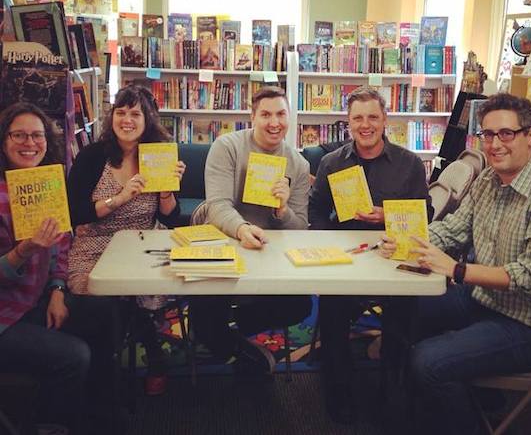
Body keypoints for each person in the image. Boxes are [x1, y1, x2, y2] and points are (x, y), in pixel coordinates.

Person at [381, 93, 531, 435]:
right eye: (487, 135)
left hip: (530, 325)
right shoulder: (488, 181)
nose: (494, 144)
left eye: (506, 134)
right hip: (485, 300)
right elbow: (453, 229)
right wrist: (405, 241)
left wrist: (458, 270)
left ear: (530, 135)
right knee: (402, 306)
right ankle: (409, 408)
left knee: (427, 362)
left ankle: (460, 416)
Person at [308, 86, 433, 423]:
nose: (366, 125)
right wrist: (328, 244)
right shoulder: (331, 163)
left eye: (373, 117)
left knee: (403, 315)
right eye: (358, 118)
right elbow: (316, 209)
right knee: (333, 309)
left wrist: (387, 216)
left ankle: (392, 386)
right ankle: (338, 387)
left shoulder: (409, 164)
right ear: (348, 123)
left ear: (385, 120)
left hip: (395, 259)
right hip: (346, 260)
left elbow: (427, 214)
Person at [67, 85, 185, 402]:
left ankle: (146, 354)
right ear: (112, 116)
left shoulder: (159, 154)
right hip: (94, 245)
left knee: (162, 284)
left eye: (135, 113)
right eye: (121, 112)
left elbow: (173, 219)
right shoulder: (93, 156)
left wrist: (166, 192)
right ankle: (109, 366)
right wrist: (120, 198)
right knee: (101, 299)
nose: (127, 120)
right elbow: (75, 213)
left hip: (142, 245)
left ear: (148, 119)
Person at [190, 86, 312, 374]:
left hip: (266, 248)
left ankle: (227, 324)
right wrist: (242, 228)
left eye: (281, 114)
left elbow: (300, 227)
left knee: (300, 305)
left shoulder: (299, 163)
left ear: (289, 117)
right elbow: (217, 206)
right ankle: (228, 340)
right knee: (204, 301)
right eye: (266, 114)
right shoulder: (227, 146)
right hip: (219, 238)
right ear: (252, 117)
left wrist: (282, 211)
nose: (274, 122)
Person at [0, 103, 90, 434]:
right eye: (19, 135)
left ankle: (100, 408)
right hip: (4, 318)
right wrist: (22, 251)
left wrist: (56, 290)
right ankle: (49, 426)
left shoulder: (47, 184)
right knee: (74, 355)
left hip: (34, 301)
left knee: (102, 313)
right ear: (3, 140)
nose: (29, 143)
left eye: (37, 135)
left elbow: (61, 248)